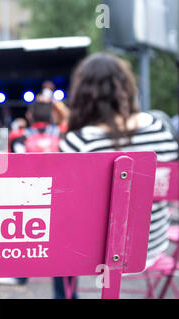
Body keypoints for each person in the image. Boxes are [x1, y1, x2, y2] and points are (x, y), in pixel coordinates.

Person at [56, 52, 179, 299]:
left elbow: (67, 207)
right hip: (152, 248)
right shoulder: (161, 129)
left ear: (83, 94)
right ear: (127, 87)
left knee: (61, 230)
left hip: (95, 254)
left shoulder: (79, 143)